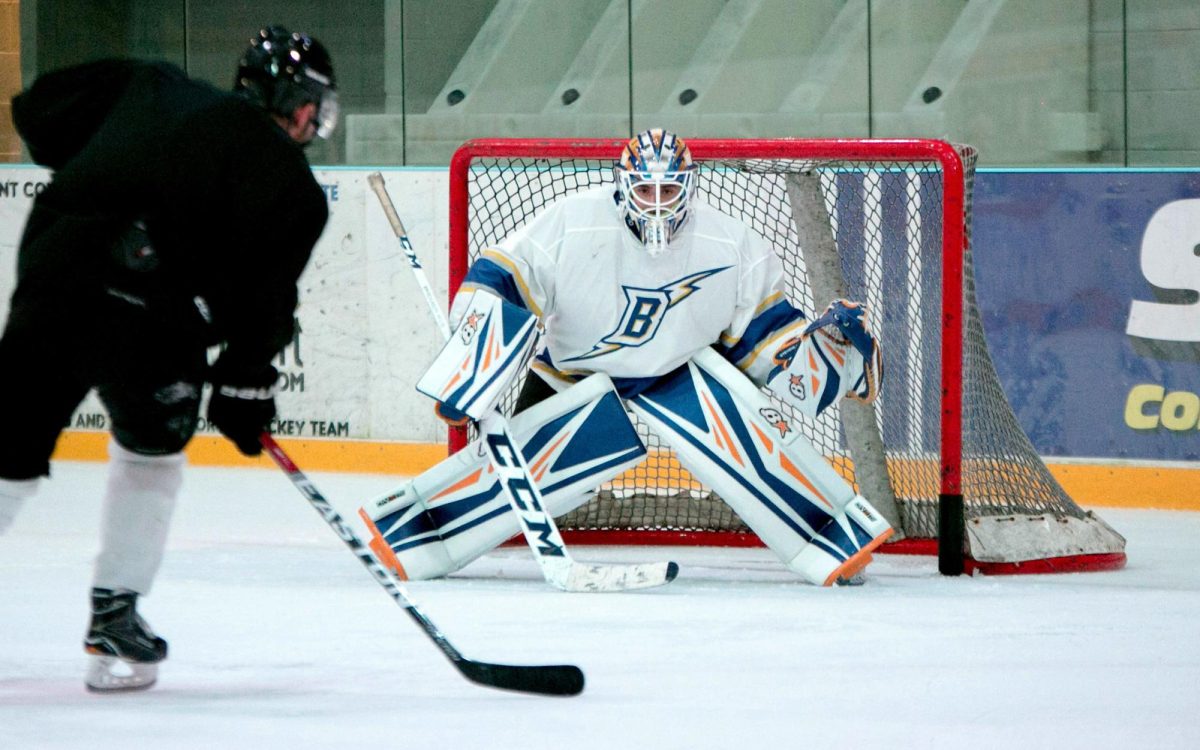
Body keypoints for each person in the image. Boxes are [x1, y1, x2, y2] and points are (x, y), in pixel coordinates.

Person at [363, 128, 892, 589]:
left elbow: (762, 337)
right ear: (622, 185)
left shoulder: (730, 242)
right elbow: (504, 276)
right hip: (575, 368)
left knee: (748, 443)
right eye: (645, 188)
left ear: (689, 186)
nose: (657, 201)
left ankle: (830, 536)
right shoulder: (573, 221)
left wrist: (825, 361)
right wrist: (472, 363)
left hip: (676, 371)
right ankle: (418, 530)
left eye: (668, 188)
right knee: (525, 467)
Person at [0, 26, 336, 692]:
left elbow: (37, 111)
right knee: (151, 455)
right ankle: (115, 617)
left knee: (5, 450)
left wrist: (106, 165)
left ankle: (115, 616)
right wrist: (245, 388)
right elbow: (265, 305)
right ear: (301, 106)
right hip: (155, 323)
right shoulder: (294, 188)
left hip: (59, 278)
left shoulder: (151, 84)